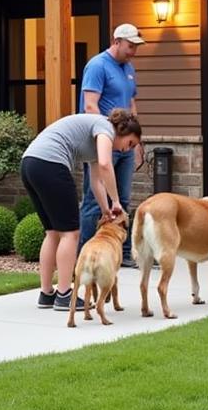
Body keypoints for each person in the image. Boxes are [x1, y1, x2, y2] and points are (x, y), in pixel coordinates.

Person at [21, 108, 143, 312]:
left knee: (52, 232)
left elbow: (96, 181)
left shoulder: (97, 139)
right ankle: (64, 295)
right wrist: (116, 202)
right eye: (130, 143)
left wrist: (106, 209)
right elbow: (105, 165)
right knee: (71, 233)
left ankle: (46, 293)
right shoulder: (105, 128)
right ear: (122, 131)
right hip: (51, 164)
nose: (126, 150)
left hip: (30, 164)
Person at [77, 22, 145, 266]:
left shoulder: (129, 68)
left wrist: (136, 142)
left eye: (136, 47)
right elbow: (90, 106)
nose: (133, 51)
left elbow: (132, 103)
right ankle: (84, 256)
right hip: (104, 142)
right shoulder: (97, 65)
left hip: (125, 144)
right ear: (116, 41)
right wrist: (105, 139)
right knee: (94, 201)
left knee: (123, 199)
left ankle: (122, 253)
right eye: (130, 46)